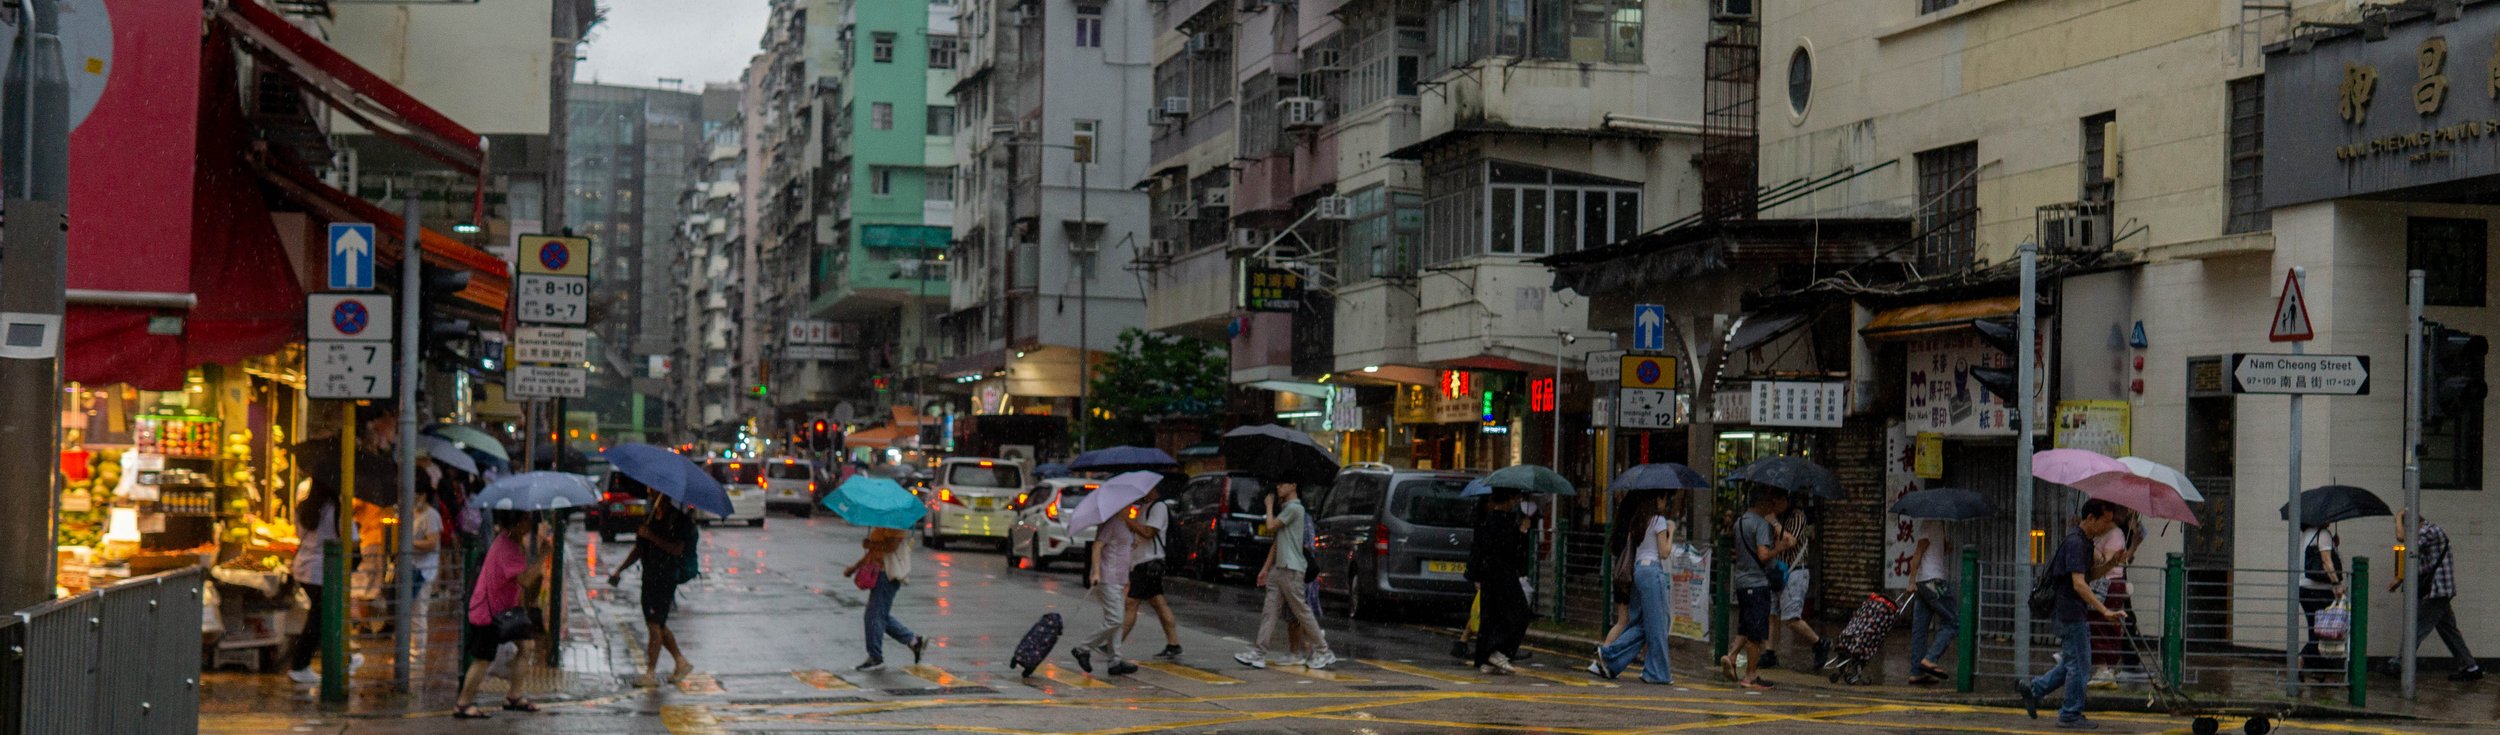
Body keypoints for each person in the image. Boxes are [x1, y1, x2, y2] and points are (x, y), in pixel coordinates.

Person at [2016, 500, 2128, 730]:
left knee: (2071, 662)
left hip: (2069, 610)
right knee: (2081, 664)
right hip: (2069, 611)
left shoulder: (2084, 542)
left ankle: (2034, 690)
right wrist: (2104, 609)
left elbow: (2089, 575)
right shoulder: (2076, 542)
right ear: (2090, 518)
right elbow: (2079, 584)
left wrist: (2111, 563)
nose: (2107, 527)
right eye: (2104, 522)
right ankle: (2069, 714)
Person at [453, 511, 554, 720]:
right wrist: (544, 556)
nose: (530, 523)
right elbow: (525, 580)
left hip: (504, 610)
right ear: (517, 523)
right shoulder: (507, 546)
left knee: (526, 646)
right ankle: (463, 704)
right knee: (483, 658)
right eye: (527, 519)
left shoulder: (511, 542)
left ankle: (514, 696)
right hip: (489, 611)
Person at [1235, 481, 1336, 670]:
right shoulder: (1286, 509)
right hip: (1279, 568)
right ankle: (1258, 653)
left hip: (1291, 568)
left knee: (1301, 611)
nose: (1278, 488)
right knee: (1270, 611)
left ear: (1293, 486)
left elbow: (1271, 526)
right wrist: (1265, 568)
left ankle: (1323, 650)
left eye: (1282, 484)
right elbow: (1277, 542)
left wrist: (1268, 506)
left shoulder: (1295, 509)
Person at [608, 495, 699, 686]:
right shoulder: (649, 518)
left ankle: (650, 672)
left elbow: (676, 550)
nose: (652, 496)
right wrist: (619, 570)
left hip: (665, 578)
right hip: (649, 577)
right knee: (658, 624)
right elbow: (639, 550)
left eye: (655, 493)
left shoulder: (679, 521)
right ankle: (681, 662)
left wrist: (651, 536)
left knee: (654, 625)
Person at [2385, 512, 2480, 681]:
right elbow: (2417, 560)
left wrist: (2398, 517)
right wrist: (2400, 578)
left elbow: (2401, 538)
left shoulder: (2430, 531)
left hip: (2437, 591)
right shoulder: (2429, 532)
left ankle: (2399, 663)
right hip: (2438, 590)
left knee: (2415, 626)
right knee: (2449, 631)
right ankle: (2470, 667)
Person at [1593, 490, 1675, 684]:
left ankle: (1611, 657)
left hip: (1638, 571)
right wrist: (1671, 531)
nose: (1665, 502)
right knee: (1657, 626)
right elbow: (1664, 552)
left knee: (1641, 623)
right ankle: (1657, 672)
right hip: (1652, 571)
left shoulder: (1639, 520)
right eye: (1664, 497)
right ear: (1658, 498)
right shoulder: (1659, 521)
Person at [1720, 487, 1793, 690]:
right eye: (1768, 502)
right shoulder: (1760, 524)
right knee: (1757, 634)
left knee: (1746, 626)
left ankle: (1732, 657)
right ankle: (1750, 676)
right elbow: (1762, 555)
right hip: (1757, 583)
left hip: (1742, 582)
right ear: (1760, 503)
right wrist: (1778, 548)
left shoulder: (1740, 522)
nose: (1771, 506)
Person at [1071, 486, 1142, 677]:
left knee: (1115, 621)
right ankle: (1082, 648)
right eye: (1128, 504)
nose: (1131, 507)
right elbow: (1097, 546)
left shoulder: (1124, 523)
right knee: (1115, 619)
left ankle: (1115, 661)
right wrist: (1095, 572)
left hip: (1120, 578)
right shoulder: (1110, 523)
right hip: (1108, 577)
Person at [1468, 487, 1535, 675]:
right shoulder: (1504, 522)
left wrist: (1475, 574)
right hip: (1503, 575)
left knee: (1491, 616)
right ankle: (1499, 651)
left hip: (1489, 575)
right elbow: (1513, 551)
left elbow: (1477, 549)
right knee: (1518, 613)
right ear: (1506, 501)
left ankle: (1485, 657)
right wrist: (1522, 532)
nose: (1514, 503)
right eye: (1513, 499)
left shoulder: (1485, 520)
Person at [286, 480, 346, 684]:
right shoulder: (335, 507)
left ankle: (306, 662)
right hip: (323, 570)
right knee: (319, 618)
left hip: (304, 567)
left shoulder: (303, 506)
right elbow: (348, 536)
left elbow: (298, 533)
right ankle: (300, 664)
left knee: (319, 616)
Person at [843, 527, 927, 671]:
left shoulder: (896, 524)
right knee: (878, 615)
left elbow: (890, 547)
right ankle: (913, 641)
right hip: (878, 573)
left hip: (887, 575)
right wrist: (855, 567)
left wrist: (871, 545)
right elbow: (873, 553)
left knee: (874, 616)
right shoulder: (882, 523)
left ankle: (876, 657)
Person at [1119, 473, 1184, 660]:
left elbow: (1149, 532)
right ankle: (1174, 643)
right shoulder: (1145, 507)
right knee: (1158, 602)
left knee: (1131, 603)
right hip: (1142, 561)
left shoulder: (1159, 507)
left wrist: (1127, 521)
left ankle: (1114, 645)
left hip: (1149, 563)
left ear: (1154, 488)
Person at [1764, 500, 1828, 672]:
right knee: (1772, 614)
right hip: (1778, 570)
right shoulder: (1778, 517)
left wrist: (1774, 523)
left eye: (1775, 500)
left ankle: (1819, 642)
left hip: (1795, 572)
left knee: (1791, 619)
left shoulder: (1798, 517)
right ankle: (1769, 653)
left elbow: (1790, 541)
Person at [2087, 509, 2144, 687]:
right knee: (2111, 625)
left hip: (2107, 584)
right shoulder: (2118, 531)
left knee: (2101, 625)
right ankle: (2107, 668)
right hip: (2112, 583)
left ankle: (2105, 669)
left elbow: (2109, 560)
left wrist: (2090, 546)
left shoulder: (2116, 533)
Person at [1905, 517, 1960, 685]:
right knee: (1953, 622)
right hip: (1934, 582)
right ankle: (1930, 658)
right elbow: (1918, 552)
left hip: (1924, 583)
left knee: (1920, 628)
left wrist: (1945, 546)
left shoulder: (1938, 526)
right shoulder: (1931, 523)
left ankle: (1916, 671)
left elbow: (1933, 551)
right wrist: (1911, 581)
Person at [2297, 521, 2344, 680]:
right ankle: (2301, 659)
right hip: (2319, 590)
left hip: (2304, 588)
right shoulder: (2323, 534)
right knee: (2324, 634)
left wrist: (2333, 544)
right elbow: (2326, 562)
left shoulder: (2306, 534)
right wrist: (2336, 584)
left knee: (2314, 631)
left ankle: (2317, 670)